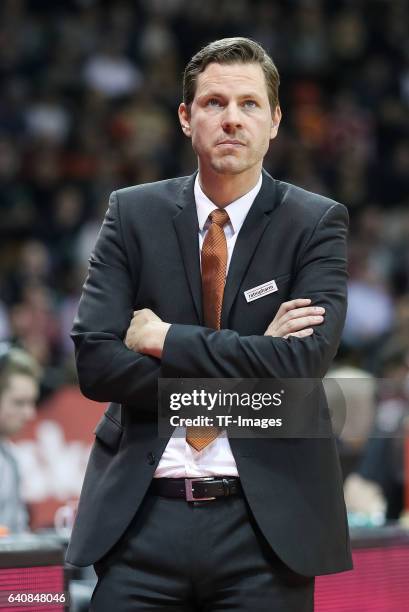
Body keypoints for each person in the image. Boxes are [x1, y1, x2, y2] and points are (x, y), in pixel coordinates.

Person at [66, 37, 352, 611]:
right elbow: (96, 364)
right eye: (214, 103)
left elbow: (301, 365)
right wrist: (250, 379)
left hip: (265, 532)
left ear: (274, 121)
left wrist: (163, 339)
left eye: (249, 105)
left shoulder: (316, 222)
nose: (231, 119)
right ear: (184, 117)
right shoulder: (132, 213)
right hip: (141, 524)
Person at [0, 343, 40, 533]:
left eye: (31, 402)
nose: (29, 414)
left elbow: (18, 534)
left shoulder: (12, 458)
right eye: (19, 402)